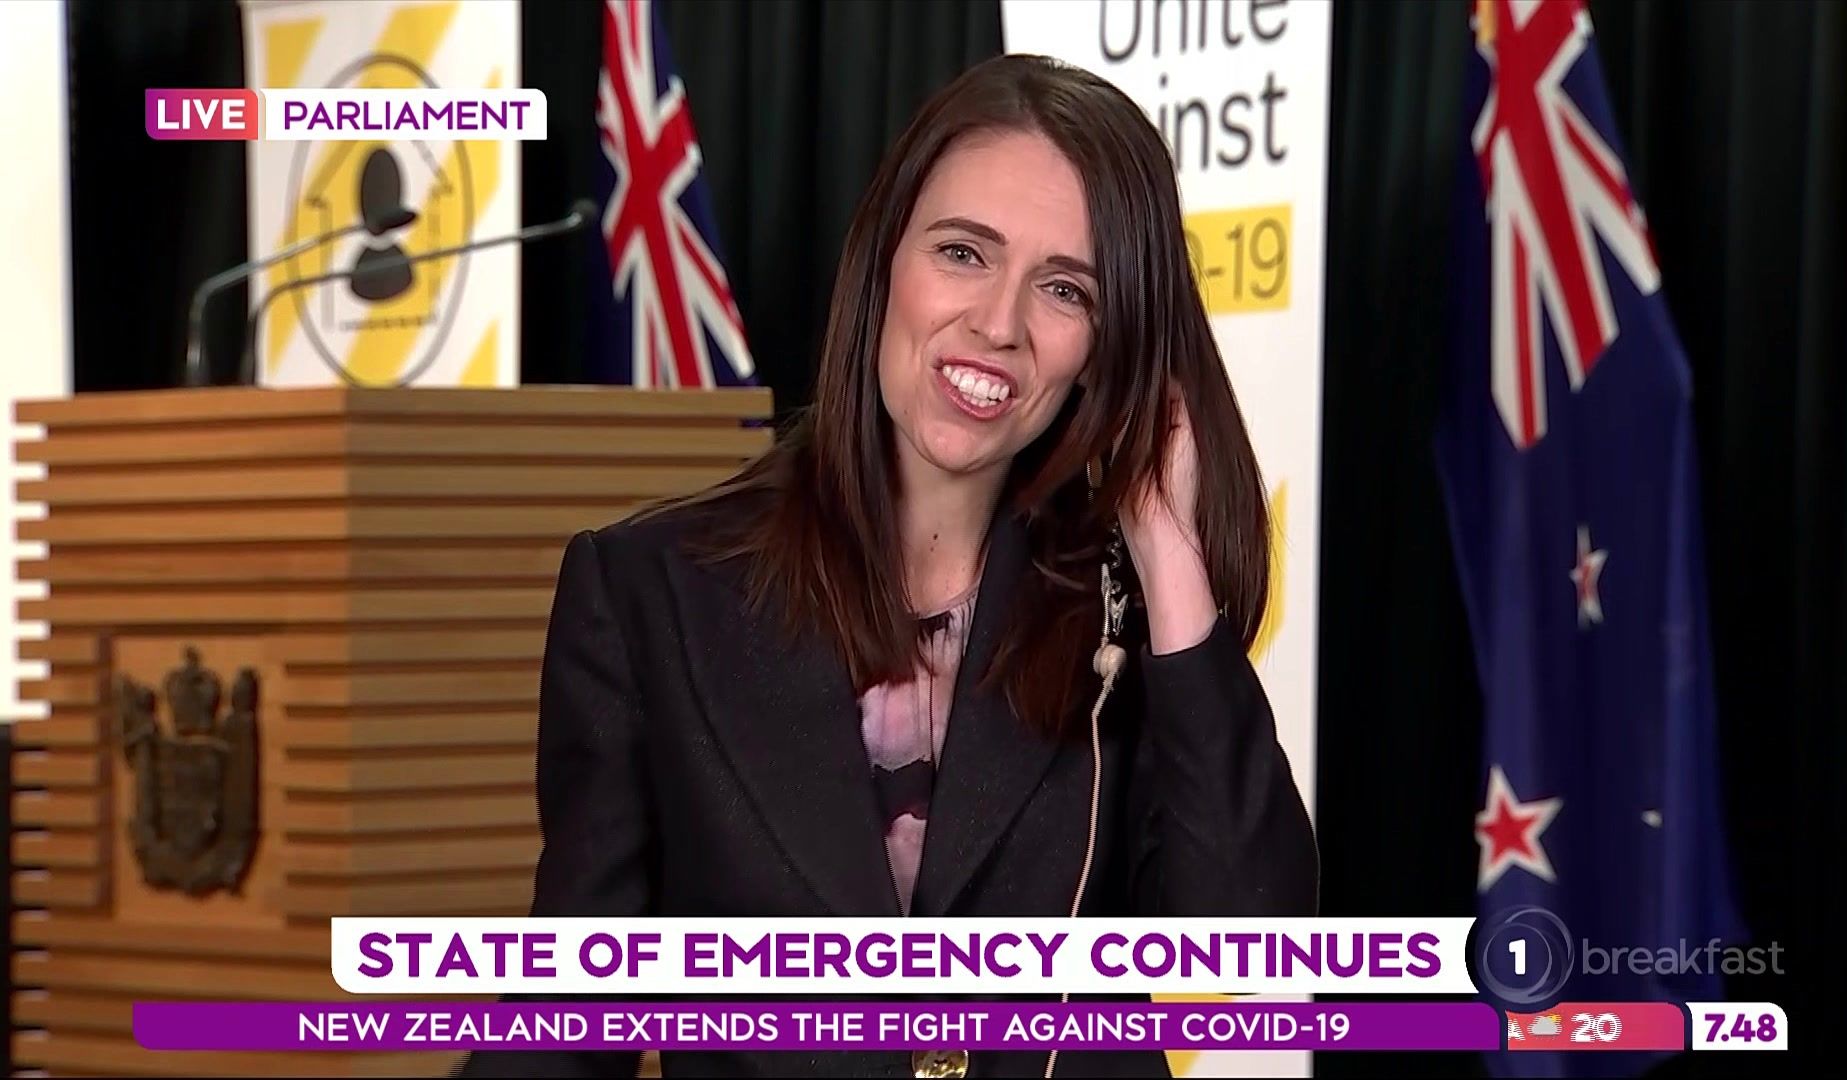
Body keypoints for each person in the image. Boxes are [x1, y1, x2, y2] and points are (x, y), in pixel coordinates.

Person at [459, 53, 1316, 1079]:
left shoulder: (1121, 622)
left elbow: (1247, 951)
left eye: (1063, 289)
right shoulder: (651, 593)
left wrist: (1167, 551)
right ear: (884, 261)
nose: (998, 324)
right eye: (962, 252)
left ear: (1108, 345)